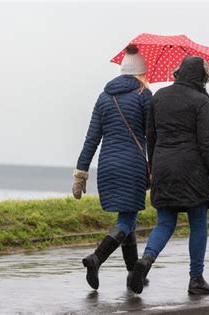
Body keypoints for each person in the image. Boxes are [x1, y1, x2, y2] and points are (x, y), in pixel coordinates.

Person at [128, 56, 209, 295]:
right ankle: (196, 279)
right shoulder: (201, 101)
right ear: (201, 77)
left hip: (162, 166)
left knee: (165, 222)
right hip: (191, 170)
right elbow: (207, 143)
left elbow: (150, 136)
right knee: (198, 223)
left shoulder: (159, 97)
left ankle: (146, 261)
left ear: (179, 72)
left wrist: (153, 167)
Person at [72, 45, 152, 290]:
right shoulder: (144, 95)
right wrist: (155, 166)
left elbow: (91, 138)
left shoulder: (103, 97)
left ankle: (132, 274)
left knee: (127, 216)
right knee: (127, 218)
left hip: (107, 165)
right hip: (133, 165)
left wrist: (80, 174)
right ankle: (96, 258)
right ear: (141, 71)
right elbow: (152, 134)